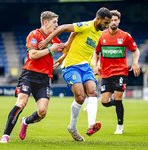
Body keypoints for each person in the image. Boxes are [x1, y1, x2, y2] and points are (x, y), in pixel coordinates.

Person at [0, 11, 75, 143]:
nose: (57, 25)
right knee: (21, 102)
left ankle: (26, 121)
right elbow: (33, 55)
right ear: (45, 22)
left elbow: (65, 49)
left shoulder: (53, 37)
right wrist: (51, 49)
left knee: (42, 112)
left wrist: (72, 36)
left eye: (57, 22)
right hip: (29, 75)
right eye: (54, 22)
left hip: (44, 78)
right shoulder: (34, 35)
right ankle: (6, 135)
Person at [39, 7, 112, 141]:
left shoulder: (99, 33)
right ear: (98, 19)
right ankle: (72, 127)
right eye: (105, 23)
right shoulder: (85, 26)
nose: (107, 26)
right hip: (71, 67)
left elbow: (74, 39)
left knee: (93, 92)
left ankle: (91, 124)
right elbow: (61, 28)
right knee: (80, 97)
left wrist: (63, 55)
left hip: (86, 67)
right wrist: (45, 41)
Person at [93, 10, 140, 134]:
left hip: (120, 72)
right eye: (111, 20)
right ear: (107, 21)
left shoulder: (125, 36)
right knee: (104, 102)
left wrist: (135, 62)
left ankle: (120, 126)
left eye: (115, 20)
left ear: (119, 21)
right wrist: (95, 65)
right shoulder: (101, 35)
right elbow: (96, 52)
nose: (113, 22)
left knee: (118, 98)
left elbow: (136, 50)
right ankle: (118, 104)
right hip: (105, 73)